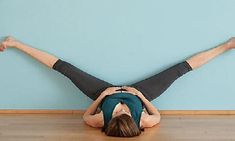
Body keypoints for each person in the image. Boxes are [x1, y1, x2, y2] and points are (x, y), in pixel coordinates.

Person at [0, 36, 234, 137]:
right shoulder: (144, 121)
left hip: (102, 94)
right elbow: (158, 116)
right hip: (141, 94)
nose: (121, 108)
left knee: (66, 69)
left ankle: (16, 43)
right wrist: (139, 98)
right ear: (134, 120)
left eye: (118, 113)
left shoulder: (99, 121)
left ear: (111, 120)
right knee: (178, 70)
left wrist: (103, 96)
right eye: (125, 112)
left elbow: (85, 117)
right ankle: (227, 46)